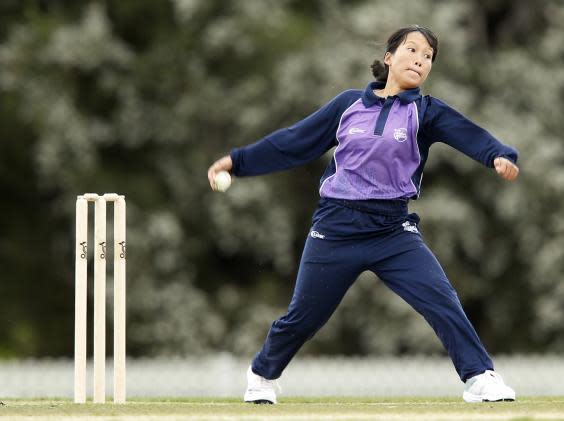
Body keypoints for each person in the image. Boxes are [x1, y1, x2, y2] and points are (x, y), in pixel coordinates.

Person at [207, 25, 519, 404]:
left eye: (428, 56)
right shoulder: (347, 105)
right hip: (336, 228)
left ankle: (480, 377)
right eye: (412, 50)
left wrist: (499, 155)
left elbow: (469, 134)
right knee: (303, 317)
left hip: (393, 231)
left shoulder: (426, 112)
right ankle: (261, 377)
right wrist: (238, 162)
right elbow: (294, 142)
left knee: (441, 299)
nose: (420, 59)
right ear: (389, 58)